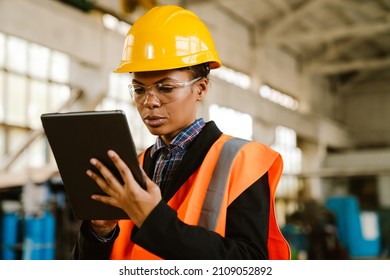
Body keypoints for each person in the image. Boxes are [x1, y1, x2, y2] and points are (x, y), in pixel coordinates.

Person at [72, 5, 290, 260]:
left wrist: (153, 220)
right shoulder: (133, 166)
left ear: (201, 89)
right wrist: (100, 232)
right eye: (139, 89)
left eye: (165, 88)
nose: (150, 102)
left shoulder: (243, 161)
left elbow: (251, 264)